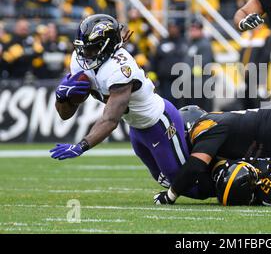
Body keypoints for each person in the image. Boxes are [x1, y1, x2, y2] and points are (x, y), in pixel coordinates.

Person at [49, 14, 212, 199]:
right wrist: (62, 97)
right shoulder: (80, 60)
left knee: (189, 186)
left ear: (106, 46)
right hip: (137, 128)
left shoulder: (120, 68)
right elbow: (65, 114)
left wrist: (81, 146)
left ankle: (231, 180)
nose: (85, 55)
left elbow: (110, 120)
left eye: (91, 48)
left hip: (160, 123)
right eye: (82, 48)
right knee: (165, 180)